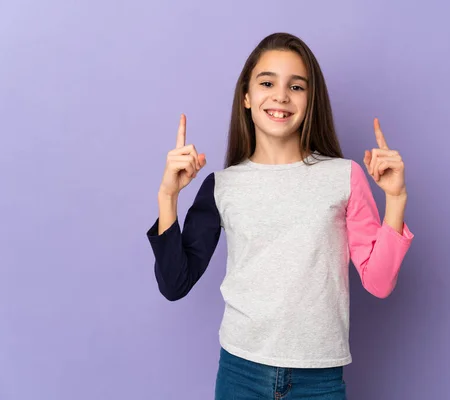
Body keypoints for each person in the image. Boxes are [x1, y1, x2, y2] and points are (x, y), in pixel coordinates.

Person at [146, 32, 414, 399]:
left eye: (297, 86)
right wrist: (168, 196)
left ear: (311, 99)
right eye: (267, 82)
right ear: (246, 96)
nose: (281, 95)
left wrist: (395, 199)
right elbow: (174, 284)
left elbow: (379, 282)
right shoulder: (222, 187)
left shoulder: (344, 176)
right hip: (241, 372)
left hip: (319, 378)